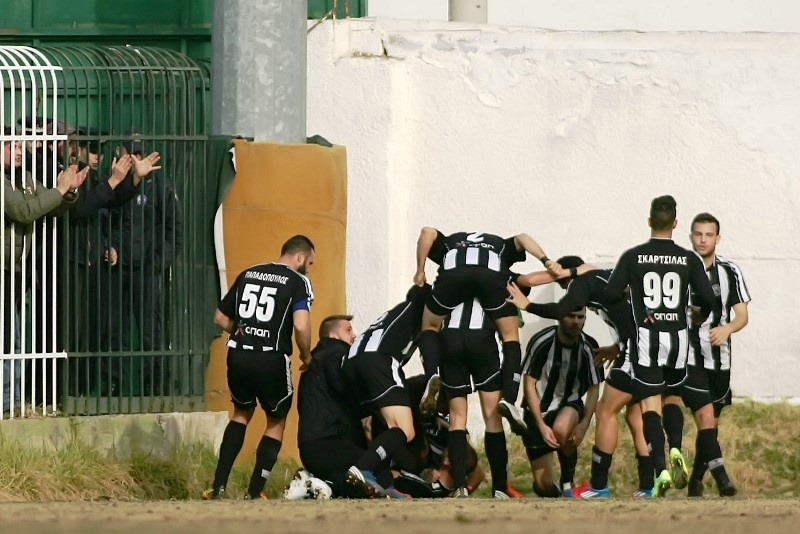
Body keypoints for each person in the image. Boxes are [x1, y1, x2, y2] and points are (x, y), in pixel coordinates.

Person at [573, 195, 715, 499]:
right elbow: (709, 297)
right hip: (678, 341)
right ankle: (675, 448)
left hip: (647, 341)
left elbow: (610, 293)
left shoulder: (633, 256)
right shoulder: (688, 259)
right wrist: (697, 314)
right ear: (676, 224)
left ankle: (653, 470)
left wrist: (633, 298)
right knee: (672, 397)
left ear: (649, 221)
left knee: (644, 403)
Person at [507, 256, 656, 497]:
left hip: (636, 350)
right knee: (635, 416)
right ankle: (649, 486)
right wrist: (617, 346)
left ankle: (599, 485)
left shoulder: (580, 284)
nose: (568, 296)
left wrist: (527, 305)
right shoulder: (601, 275)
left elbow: (560, 309)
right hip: (651, 346)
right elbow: (630, 310)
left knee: (606, 411)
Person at [413, 227, 561, 435]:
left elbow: (427, 232)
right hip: (483, 340)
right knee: (510, 339)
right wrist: (550, 263)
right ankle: (510, 399)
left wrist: (420, 270)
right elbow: (524, 247)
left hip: (451, 340)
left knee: (429, 327)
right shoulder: (500, 253)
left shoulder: (450, 246)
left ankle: (431, 375)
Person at [203, 235, 315, 500]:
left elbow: (220, 317)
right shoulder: (298, 282)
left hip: (238, 354)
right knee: (276, 421)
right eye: (309, 262)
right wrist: (306, 355)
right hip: (270, 358)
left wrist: (244, 334)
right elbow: (301, 325)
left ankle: (218, 486)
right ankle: (254, 493)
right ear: (300, 257)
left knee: (241, 413)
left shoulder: (249, 273)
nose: (309, 268)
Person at [663, 213, 749, 497]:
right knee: (705, 419)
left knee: (711, 425)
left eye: (708, 235)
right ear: (690, 236)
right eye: (698, 234)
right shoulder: (680, 270)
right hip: (689, 358)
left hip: (720, 359)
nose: (702, 240)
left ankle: (697, 480)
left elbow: (742, 315)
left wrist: (727, 329)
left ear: (717, 239)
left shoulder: (730, 272)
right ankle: (723, 478)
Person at [3, 127, 86, 409]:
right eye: (11, 145)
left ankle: (12, 401)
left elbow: (51, 206)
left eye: (18, 146)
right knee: (6, 337)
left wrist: (70, 191)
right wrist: (59, 190)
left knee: (12, 337)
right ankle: (6, 402)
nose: (17, 151)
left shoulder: (23, 179)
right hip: (2, 269)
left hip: (16, 269)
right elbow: (24, 212)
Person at [341, 284, 432, 499]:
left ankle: (384, 484)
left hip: (351, 362)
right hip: (379, 359)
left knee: (378, 427)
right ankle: (363, 468)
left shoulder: (394, 314)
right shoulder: (422, 308)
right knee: (404, 429)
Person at [109, 137, 181, 395]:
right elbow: (109, 222)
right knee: (116, 333)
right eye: (131, 152)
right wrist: (111, 247)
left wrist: (158, 264)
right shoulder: (115, 183)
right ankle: (113, 388)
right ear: (121, 154)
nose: (136, 158)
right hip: (118, 270)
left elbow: (176, 230)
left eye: (139, 152)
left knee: (152, 332)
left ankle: (154, 389)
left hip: (148, 271)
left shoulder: (160, 185)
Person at [436, 297, 516, 498]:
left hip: (450, 337)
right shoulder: (495, 278)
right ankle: (499, 488)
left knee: (456, 419)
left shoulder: (451, 278)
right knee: (492, 417)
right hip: (483, 338)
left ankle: (460, 487)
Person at [520, 307, 603, 498]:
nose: (576, 322)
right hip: (538, 411)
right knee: (544, 485)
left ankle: (568, 482)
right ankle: (553, 492)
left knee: (562, 428)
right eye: (570, 316)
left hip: (569, 403)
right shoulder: (541, 342)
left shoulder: (589, 346)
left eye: (580, 317)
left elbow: (594, 387)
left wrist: (584, 424)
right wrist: (540, 425)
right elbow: (529, 384)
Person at [297, 314, 374, 498]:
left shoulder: (316, 360)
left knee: (354, 483)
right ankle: (316, 483)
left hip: (312, 445)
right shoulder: (335, 353)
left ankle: (317, 484)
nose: (354, 335)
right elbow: (341, 384)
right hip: (328, 442)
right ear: (333, 335)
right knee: (374, 469)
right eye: (348, 330)